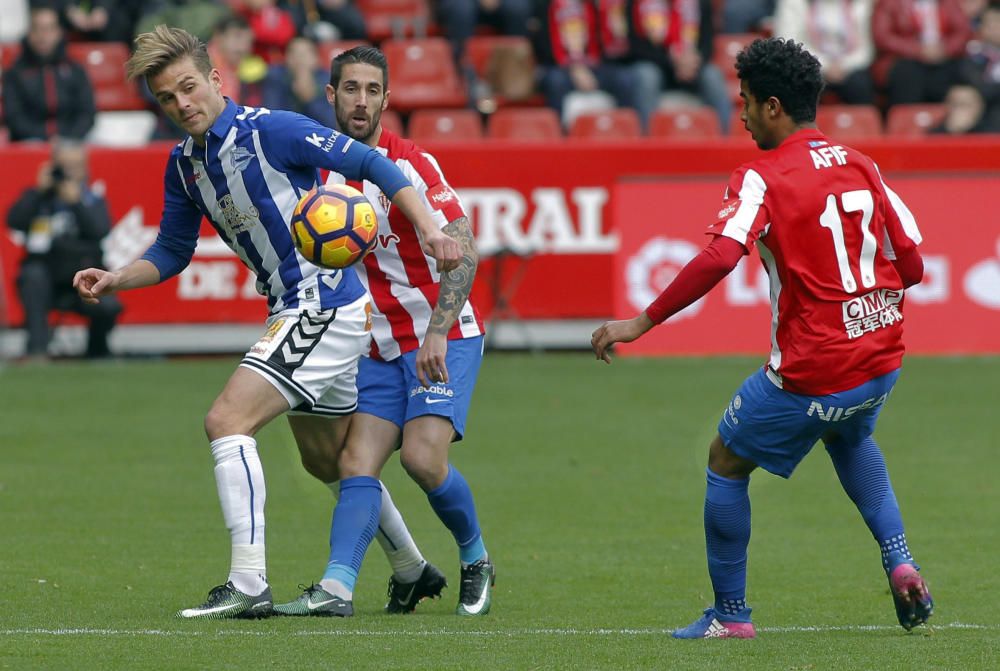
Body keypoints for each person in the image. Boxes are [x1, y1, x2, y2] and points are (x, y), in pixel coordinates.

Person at [72, 24, 461, 619]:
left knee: (227, 420)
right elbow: (172, 252)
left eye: (188, 87)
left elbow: (373, 164)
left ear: (215, 79)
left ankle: (249, 582)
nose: (182, 104)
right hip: (295, 307)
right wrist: (116, 277)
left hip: (324, 303)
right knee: (327, 461)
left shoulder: (272, 130)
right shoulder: (184, 166)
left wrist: (431, 228)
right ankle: (412, 569)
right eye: (167, 98)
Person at [591, 37, 933, 638]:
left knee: (725, 461)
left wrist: (640, 321)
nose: (742, 115)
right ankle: (900, 558)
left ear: (773, 106)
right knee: (850, 437)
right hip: (881, 359)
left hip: (815, 369)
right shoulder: (860, 163)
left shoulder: (761, 175)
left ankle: (731, 617)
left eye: (746, 102)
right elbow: (913, 264)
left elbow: (722, 255)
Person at [274, 46, 493, 618]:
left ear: (387, 99)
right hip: (374, 345)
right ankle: (337, 588)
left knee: (422, 460)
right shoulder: (318, 174)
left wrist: (439, 333)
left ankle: (476, 558)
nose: (361, 101)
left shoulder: (414, 165)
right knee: (356, 464)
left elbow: (464, 254)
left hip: (443, 335)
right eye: (350, 89)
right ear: (331, 96)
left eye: (373, 90)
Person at [9, 139, 122, 360]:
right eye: (65, 167)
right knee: (33, 276)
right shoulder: (39, 198)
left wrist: (76, 203)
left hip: (82, 276)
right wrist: (38, 191)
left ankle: (98, 351)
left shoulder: (91, 199)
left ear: (85, 169)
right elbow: (14, 220)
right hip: (44, 276)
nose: (70, 173)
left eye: (76, 166)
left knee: (108, 305)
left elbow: (101, 230)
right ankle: (37, 350)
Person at [1, 4, 96, 142]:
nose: (42, 35)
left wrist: (66, 138)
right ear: (29, 32)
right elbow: (14, 117)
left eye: (49, 29)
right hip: (29, 142)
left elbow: (87, 114)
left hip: (72, 141)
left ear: (59, 32)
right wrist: (47, 138)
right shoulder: (15, 73)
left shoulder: (75, 70)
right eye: (37, 29)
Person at [773, 0, 877, 105]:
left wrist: (843, 66)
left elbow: (866, 49)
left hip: (849, 67)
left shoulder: (861, 3)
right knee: (799, 83)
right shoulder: (794, 3)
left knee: (861, 85)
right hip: (807, 64)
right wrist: (825, 65)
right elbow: (789, 44)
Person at [872, 0, 973, 109]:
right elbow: (882, 37)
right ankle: (907, 121)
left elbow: (963, 31)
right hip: (904, 59)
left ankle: (953, 122)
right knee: (908, 73)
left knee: (965, 70)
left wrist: (945, 49)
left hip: (944, 57)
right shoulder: (890, 3)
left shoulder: (949, 3)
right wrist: (918, 50)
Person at [262, 36, 339, 129]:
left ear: (316, 59)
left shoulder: (329, 81)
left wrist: (310, 99)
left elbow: (331, 123)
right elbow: (271, 118)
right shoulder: (275, 77)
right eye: (294, 54)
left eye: (304, 54)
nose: (299, 59)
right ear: (286, 58)